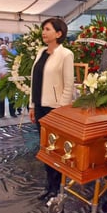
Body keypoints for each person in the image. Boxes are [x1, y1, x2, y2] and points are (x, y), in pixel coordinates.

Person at [28, 18, 74, 200]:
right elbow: (34, 81)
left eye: (47, 29)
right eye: (43, 29)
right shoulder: (41, 52)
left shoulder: (66, 54)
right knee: (45, 148)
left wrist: (61, 110)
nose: (43, 32)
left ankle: (57, 186)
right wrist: (32, 105)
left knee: (56, 149)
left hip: (55, 109)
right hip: (40, 106)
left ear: (59, 33)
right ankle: (50, 184)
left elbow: (69, 85)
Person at [0, 44, 16, 118]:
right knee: (1, 97)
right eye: (1, 50)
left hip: (10, 79)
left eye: (4, 49)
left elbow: (14, 67)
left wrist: (9, 74)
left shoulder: (11, 58)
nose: (2, 51)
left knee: (11, 96)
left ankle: (12, 112)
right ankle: (1, 113)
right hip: (1, 78)